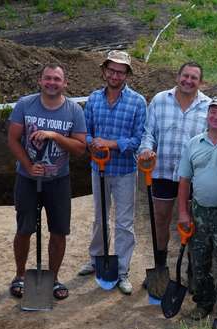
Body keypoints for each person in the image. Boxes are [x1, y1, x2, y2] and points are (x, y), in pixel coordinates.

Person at [7, 64, 87, 300]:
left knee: (59, 231)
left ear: (65, 83)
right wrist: (29, 166)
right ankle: (20, 275)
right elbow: (13, 140)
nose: (52, 83)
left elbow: (80, 148)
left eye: (57, 79)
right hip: (27, 179)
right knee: (24, 229)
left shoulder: (74, 110)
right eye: (48, 78)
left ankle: (53, 278)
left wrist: (55, 136)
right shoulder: (25, 105)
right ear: (40, 81)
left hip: (58, 180)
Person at [76, 51, 146, 294]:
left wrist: (111, 144)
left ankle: (122, 270)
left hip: (125, 171)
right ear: (104, 71)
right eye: (112, 70)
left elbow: (138, 139)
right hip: (99, 169)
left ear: (127, 74)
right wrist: (92, 142)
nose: (115, 75)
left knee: (124, 222)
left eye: (121, 72)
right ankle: (97, 259)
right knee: (100, 217)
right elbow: (84, 132)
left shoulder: (137, 102)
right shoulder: (94, 99)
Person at [137, 62, 211, 289]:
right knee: (161, 219)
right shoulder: (160, 100)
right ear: (177, 77)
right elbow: (148, 133)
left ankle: (193, 271)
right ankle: (160, 268)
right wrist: (146, 149)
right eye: (185, 76)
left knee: (192, 222)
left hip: (193, 177)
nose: (188, 81)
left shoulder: (208, 106)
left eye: (194, 78)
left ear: (201, 82)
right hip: (163, 171)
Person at [176, 96, 217, 325]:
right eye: (212, 112)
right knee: (199, 262)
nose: (216, 116)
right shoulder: (194, 143)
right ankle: (203, 302)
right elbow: (184, 180)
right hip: (200, 213)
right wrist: (183, 213)